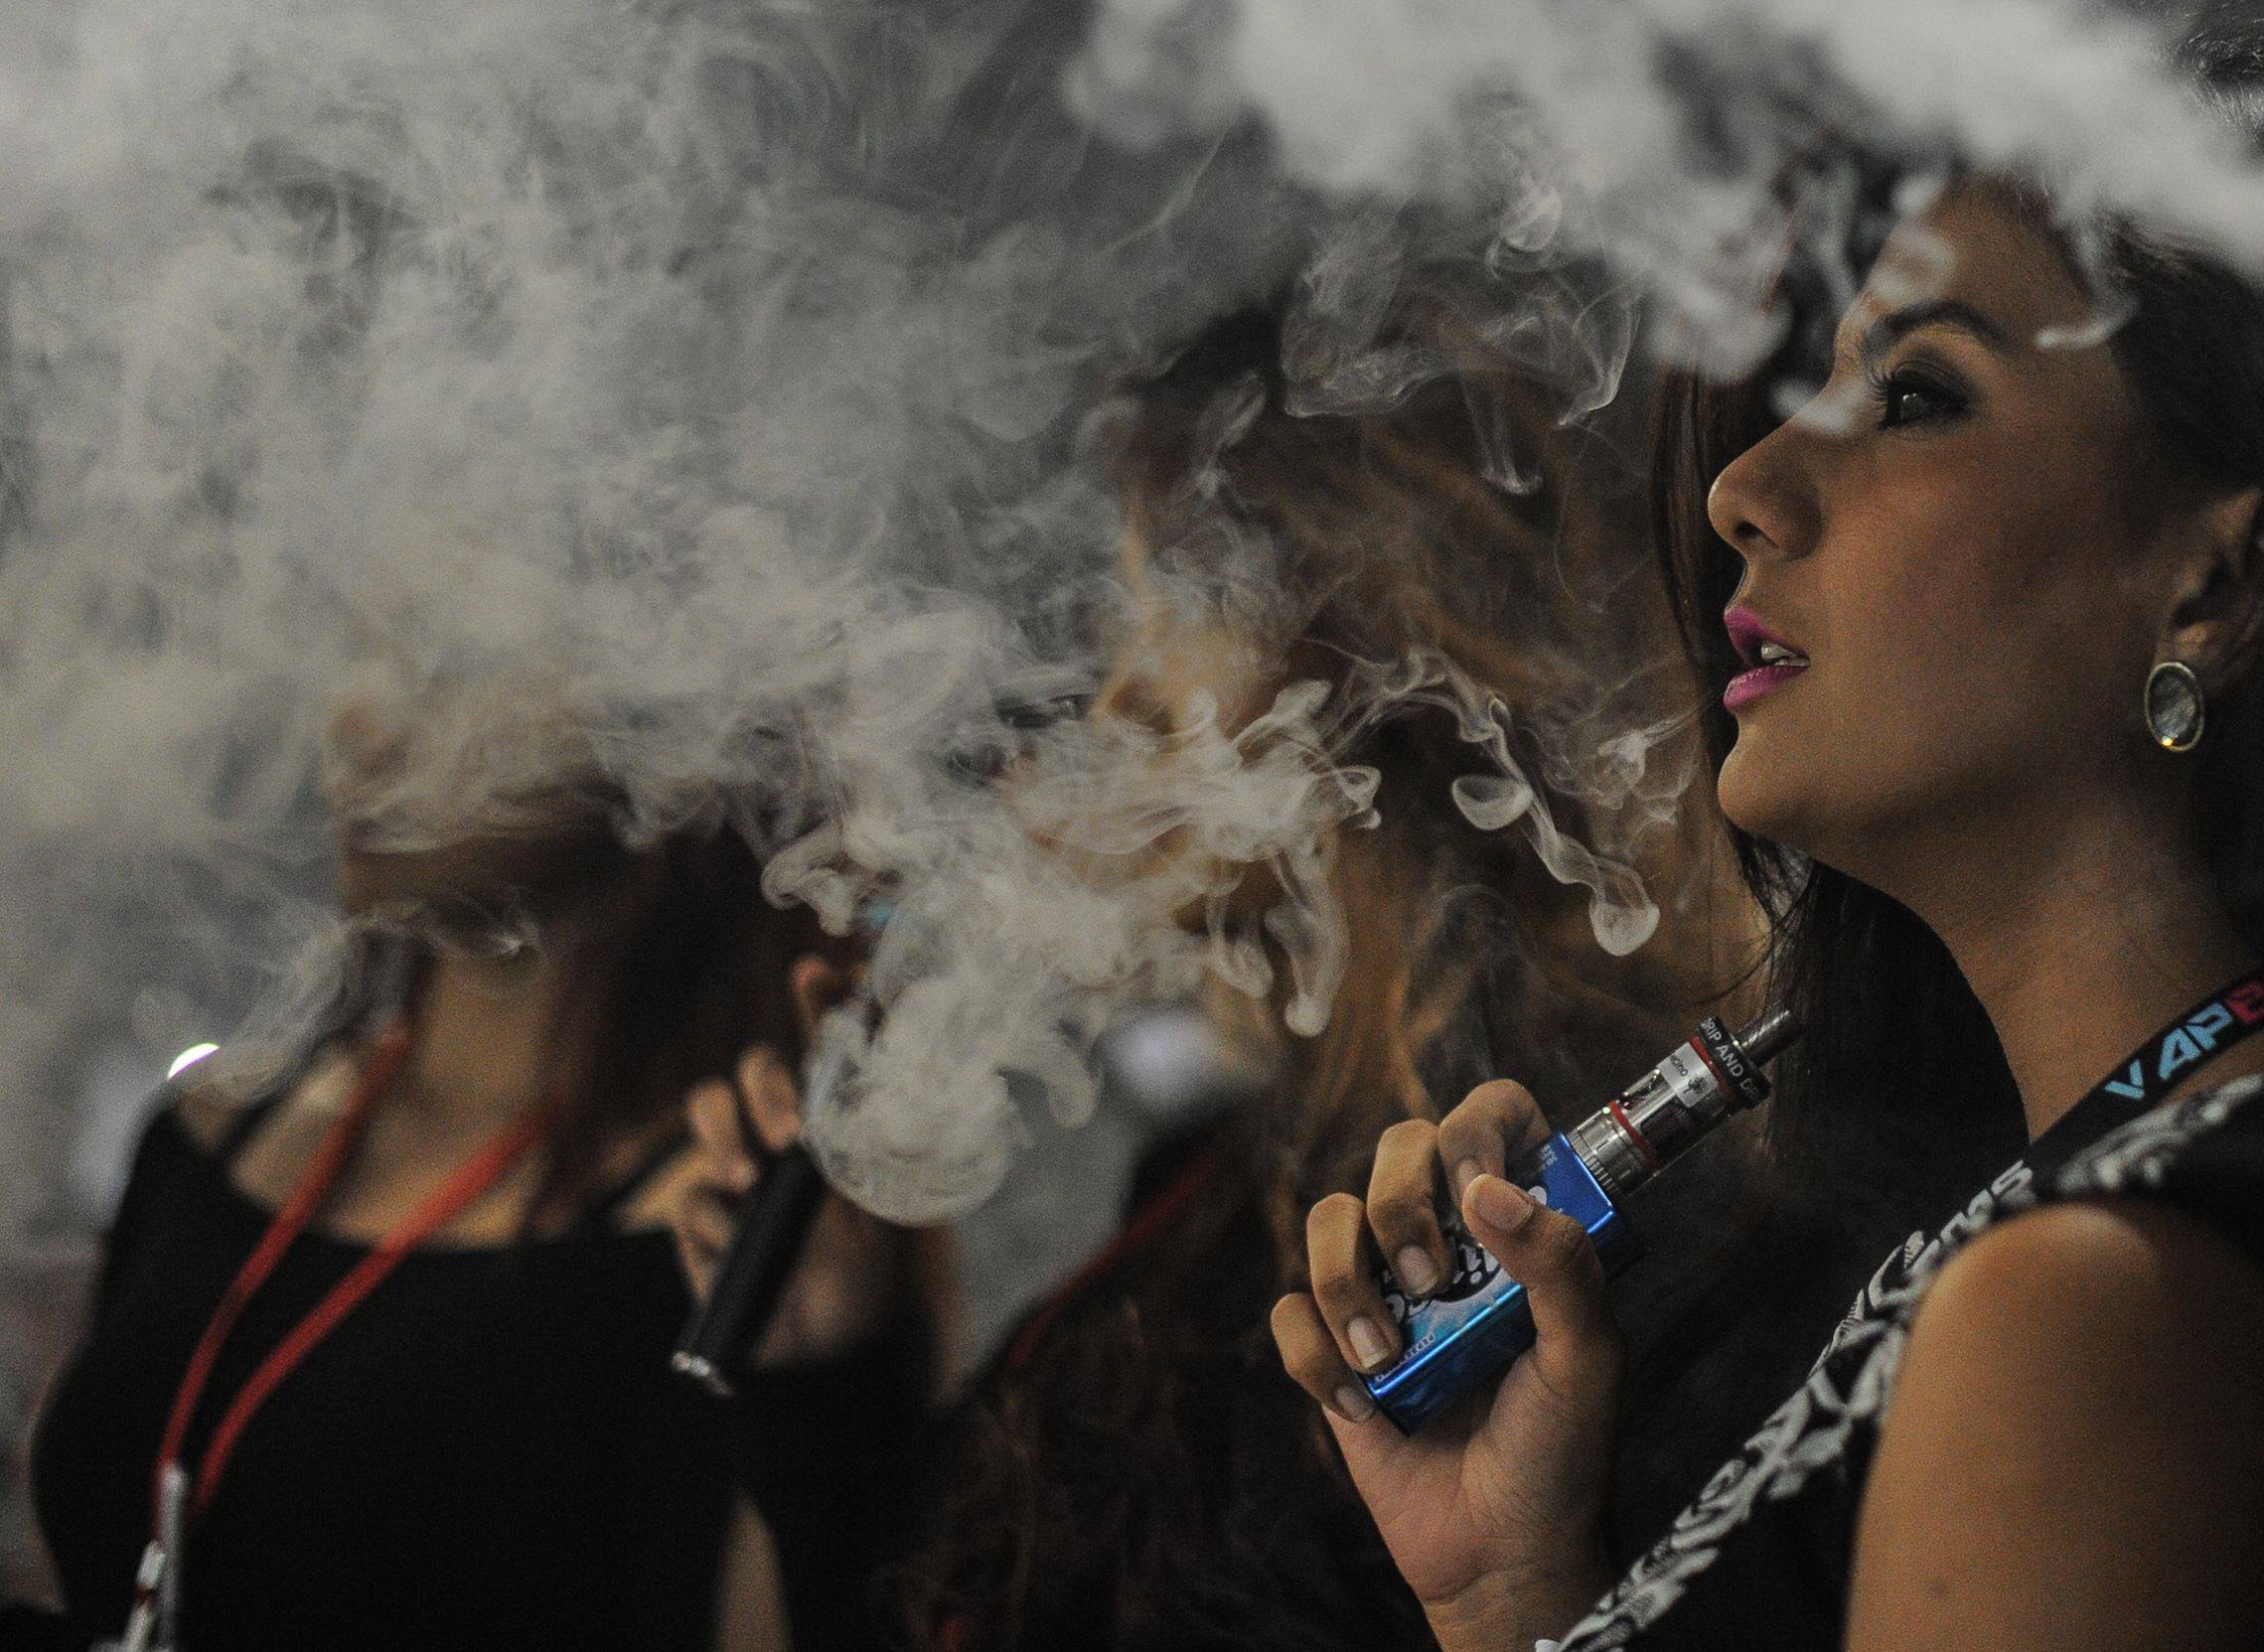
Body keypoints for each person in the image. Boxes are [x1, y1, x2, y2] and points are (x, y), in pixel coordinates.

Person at [1275, 36, 2264, 1652]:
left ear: (2217, 586)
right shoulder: (2122, 1215)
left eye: (1912, 394)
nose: (1745, 487)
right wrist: (1513, 1588)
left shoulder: (2112, 1301)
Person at [660, 298, 1824, 1652]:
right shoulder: (1209, 1182)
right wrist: (830, 1368)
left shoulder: (1564, 1197)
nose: (1116, 704)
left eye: (1175, 608)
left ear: (1394, 629)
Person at [15, 708, 824, 1652]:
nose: (359, 721)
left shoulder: (729, 1234)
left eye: (449, 659)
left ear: (665, 720)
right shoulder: (217, 1130)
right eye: (373, 633)